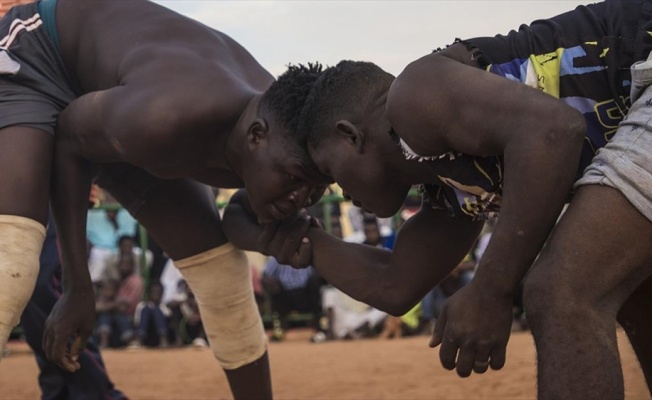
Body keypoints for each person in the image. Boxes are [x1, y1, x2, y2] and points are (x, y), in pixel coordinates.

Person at [224, 1, 652, 398]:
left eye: (333, 173)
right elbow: (394, 283)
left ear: (349, 135)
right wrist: (301, 242)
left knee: (559, 291)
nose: (343, 194)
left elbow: (553, 132)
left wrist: (491, 289)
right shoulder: (450, 189)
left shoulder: (413, 97)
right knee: (631, 292)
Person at [0, 1, 327, 398]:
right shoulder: (169, 117)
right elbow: (72, 135)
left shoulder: (284, 132)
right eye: (295, 181)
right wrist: (77, 287)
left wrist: (268, 233)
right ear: (255, 137)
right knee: (10, 261)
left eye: (312, 189)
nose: (300, 199)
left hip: (116, 103)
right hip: (41, 54)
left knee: (223, 273)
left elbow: (243, 218)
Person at [19, 214, 126, 399]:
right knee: (28, 296)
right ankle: (58, 391)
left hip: (36, 199)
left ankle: (97, 394)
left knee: (43, 287)